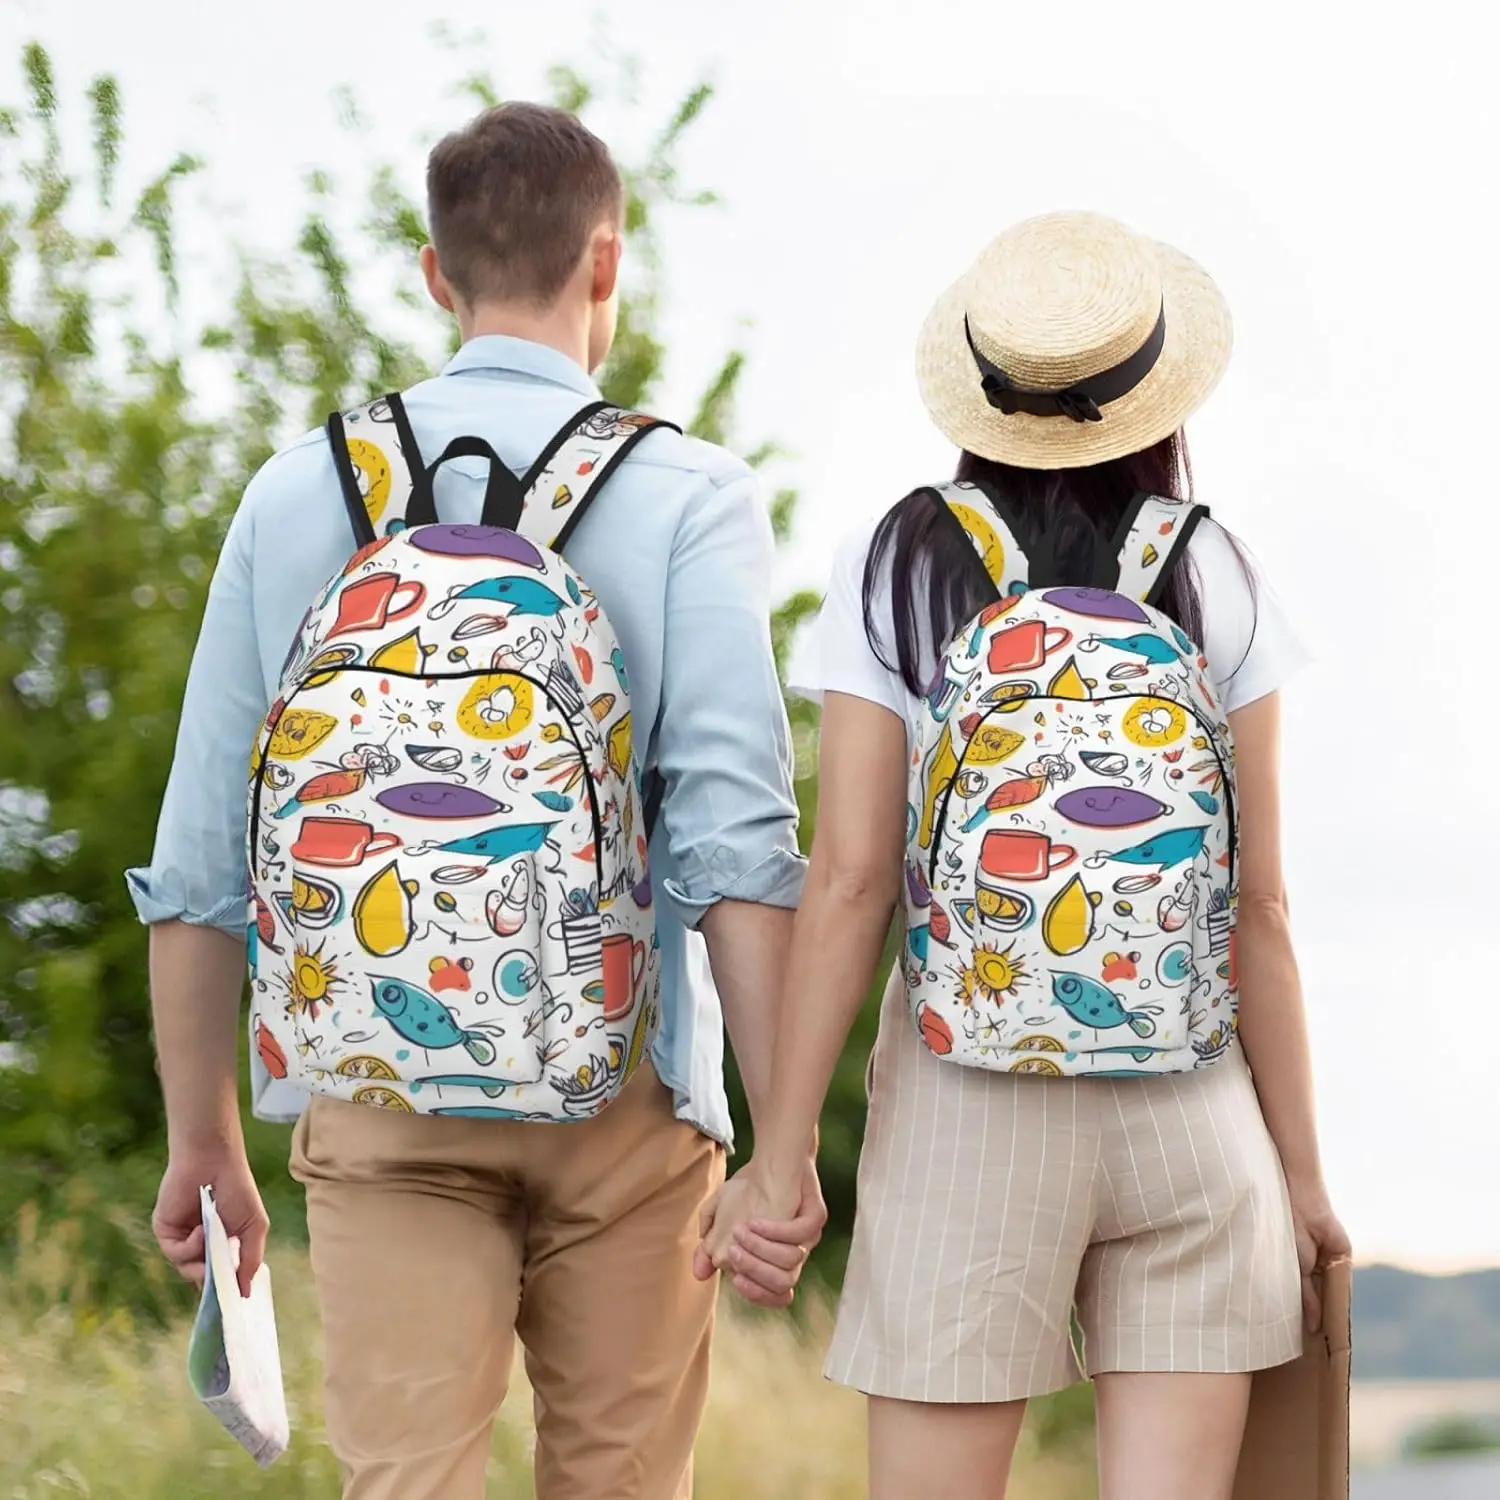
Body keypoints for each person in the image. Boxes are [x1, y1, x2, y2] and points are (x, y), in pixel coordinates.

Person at [131, 101, 826, 1500]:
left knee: (407, 1482)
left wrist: (202, 1139)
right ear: (607, 265)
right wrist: (783, 1144)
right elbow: (736, 849)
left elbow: (203, 854)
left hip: (377, 1088)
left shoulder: (296, 493)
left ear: (435, 274)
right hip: (628, 1095)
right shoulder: (688, 493)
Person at [697, 210, 1350, 1500]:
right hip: (1193, 1108)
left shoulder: (899, 561)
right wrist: (1305, 1180)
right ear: (1156, 394)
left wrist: (779, 1159)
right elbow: (1261, 906)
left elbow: (851, 884)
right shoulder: (1216, 567)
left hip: (967, 1106)